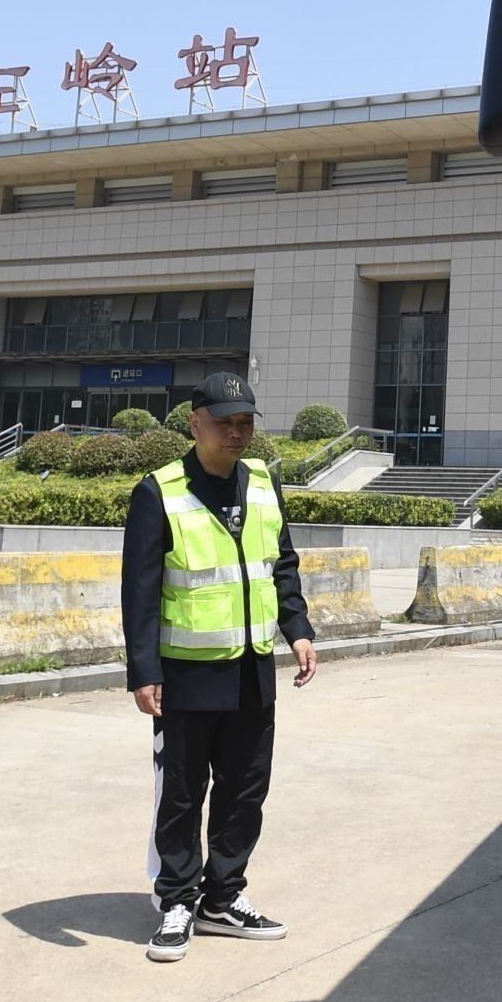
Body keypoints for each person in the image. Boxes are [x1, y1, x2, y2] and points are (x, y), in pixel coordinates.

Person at [123, 371, 317, 962]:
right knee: (182, 794)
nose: (236, 433)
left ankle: (223, 897)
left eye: (245, 423)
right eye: (224, 422)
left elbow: (282, 564)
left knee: (244, 790)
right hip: (186, 673)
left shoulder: (262, 483)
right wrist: (143, 670)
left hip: (253, 668)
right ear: (194, 423)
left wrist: (298, 630)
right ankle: (178, 899)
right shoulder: (159, 492)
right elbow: (140, 590)